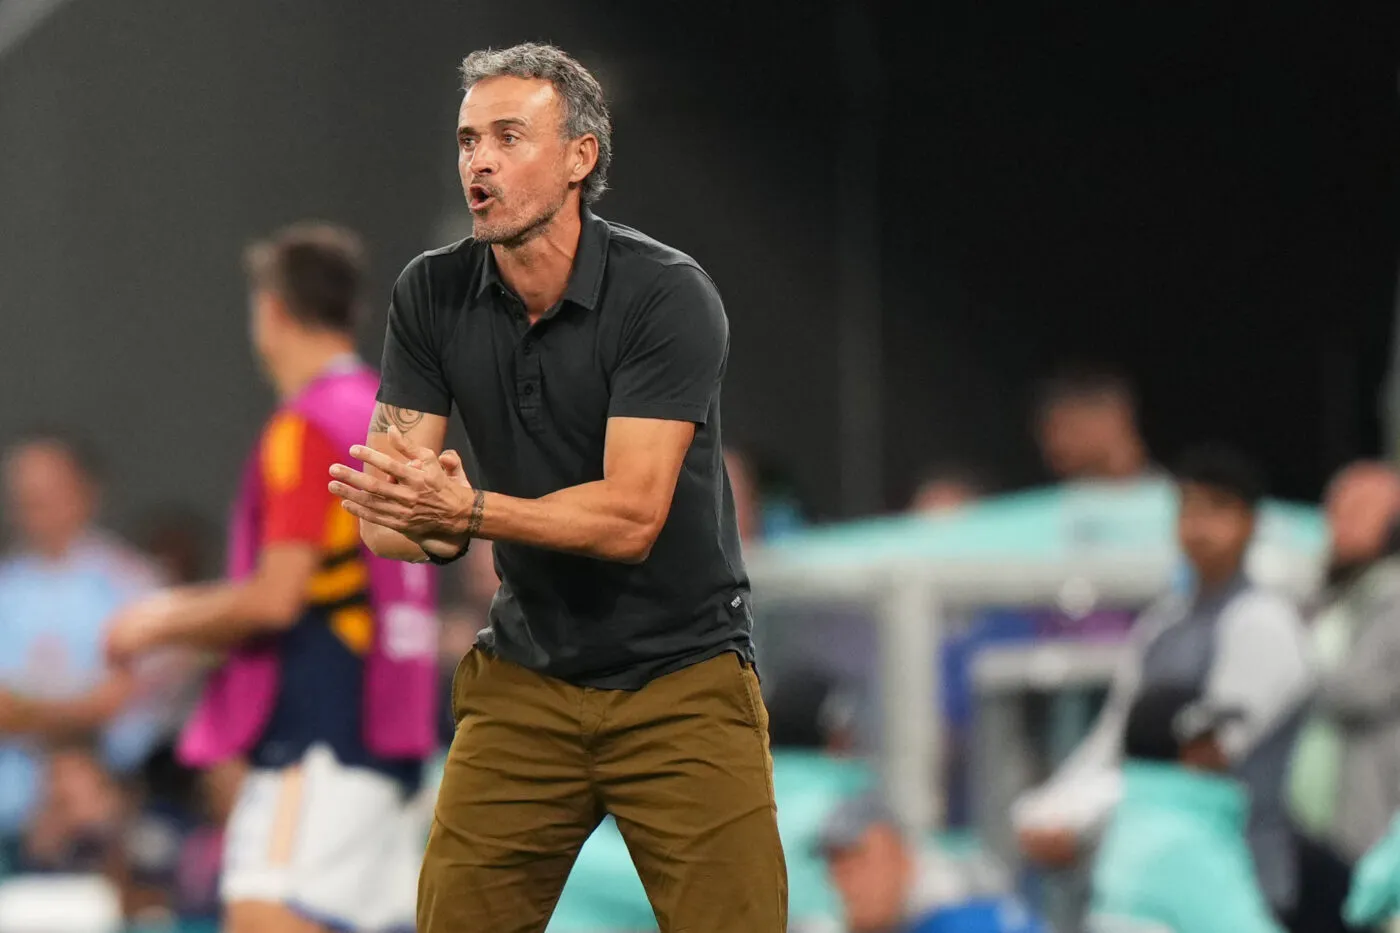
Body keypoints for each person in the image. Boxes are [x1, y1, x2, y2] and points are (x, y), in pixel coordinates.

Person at [326, 42, 787, 933]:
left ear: (581, 158)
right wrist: (425, 516)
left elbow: (631, 516)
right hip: (526, 680)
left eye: (508, 136)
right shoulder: (431, 292)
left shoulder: (665, 295)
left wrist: (467, 512)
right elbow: (391, 524)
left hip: (682, 680)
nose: (480, 161)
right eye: (467, 141)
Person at [105, 223, 439, 933]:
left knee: (265, 915)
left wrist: (155, 619)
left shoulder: (306, 426)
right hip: (396, 730)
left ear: (273, 311)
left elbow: (277, 596)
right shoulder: (393, 417)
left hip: (317, 736)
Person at [1015, 445, 1313, 924]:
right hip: (1151, 870)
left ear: (1250, 523)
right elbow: (1113, 739)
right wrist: (1047, 812)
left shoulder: (1265, 623)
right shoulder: (1162, 624)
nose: (1199, 527)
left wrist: (1082, 823)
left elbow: (1200, 761)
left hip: (1237, 876)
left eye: (1217, 510)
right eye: (1189, 509)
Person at [0, 431, 163, 861]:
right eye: (24, 493)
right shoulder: (7, 588)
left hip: (111, 820)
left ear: (86, 492)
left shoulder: (132, 582)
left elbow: (123, 700)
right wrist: (78, 708)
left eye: (50, 491)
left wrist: (28, 713)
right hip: (13, 817)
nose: (35, 504)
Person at [1287, 462, 1400, 932]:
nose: (1340, 520)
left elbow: (1355, 689)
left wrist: (1285, 667)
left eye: (1360, 509)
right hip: (1316, 820)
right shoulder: (1327, 598)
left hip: (1376, 817)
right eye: (1335, 508)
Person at [1087, 683, 1283, 933]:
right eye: (1209, 741)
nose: (1222, 753)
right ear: (1186, 752)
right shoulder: (1184, 843)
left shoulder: (1130, 826)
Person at [819, 794, 1044, 933]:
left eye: (859, 861)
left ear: (903, 860)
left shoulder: (960, 915)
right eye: (836, 865)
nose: (846, 882)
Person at [1033, 366, 1155, 484]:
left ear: (1113, 419)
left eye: (1070, 428)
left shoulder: (1169, 497)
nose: (1055, 442)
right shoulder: (1033, 502)